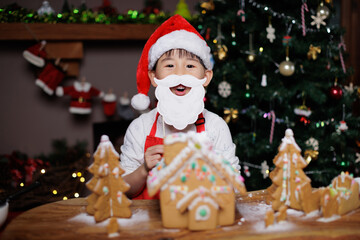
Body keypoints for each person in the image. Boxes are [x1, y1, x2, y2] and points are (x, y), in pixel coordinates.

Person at [120, 14, 240, 199]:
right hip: (148, 224)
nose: (179, 75)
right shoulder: (140, 128)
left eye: (190, 66)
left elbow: (233, 185)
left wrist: (213, 169)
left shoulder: (215, 127)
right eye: (169, 65)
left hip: (201, 219)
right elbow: (123, 189)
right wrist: (144, 169)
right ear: (154, 77)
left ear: (206, 77)